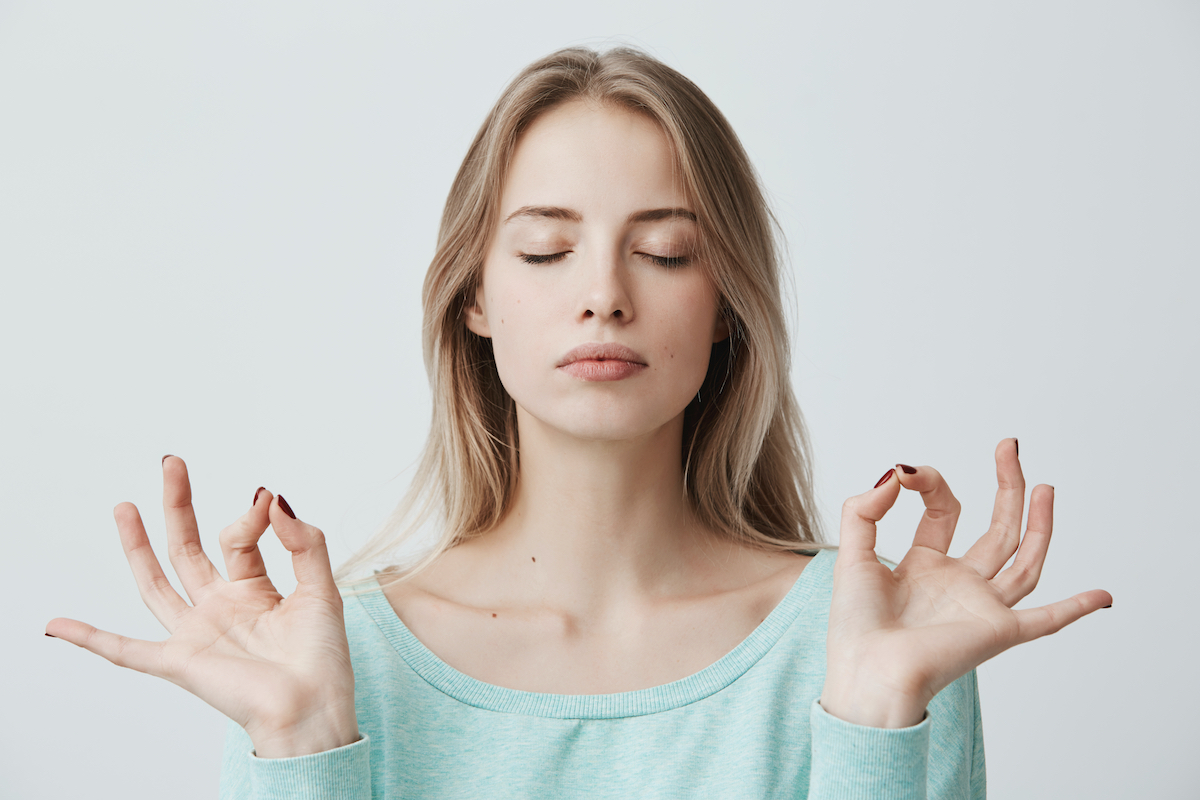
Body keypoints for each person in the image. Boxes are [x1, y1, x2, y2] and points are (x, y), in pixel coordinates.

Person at [45, 47, 1111, 798]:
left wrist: (878, 718)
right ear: (474, 298)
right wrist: (300, 744)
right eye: (547, 249)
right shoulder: (328, 653)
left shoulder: (879, 628)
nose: (603, 293)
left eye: (666, 250)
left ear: (730, 301)